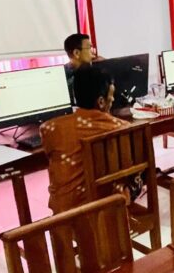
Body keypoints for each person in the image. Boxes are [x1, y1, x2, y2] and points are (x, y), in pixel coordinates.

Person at [40, 65, 129, 214]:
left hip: (64, 215)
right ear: (101, 102)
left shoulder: (50, 129)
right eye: (111, 95)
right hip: (105, 209)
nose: (113, 99)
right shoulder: (120, 127)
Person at [63, 33, 98, 104]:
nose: (93, 52)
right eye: (89, 48)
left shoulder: (95, 70)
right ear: (76, 53)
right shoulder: (63, 79)